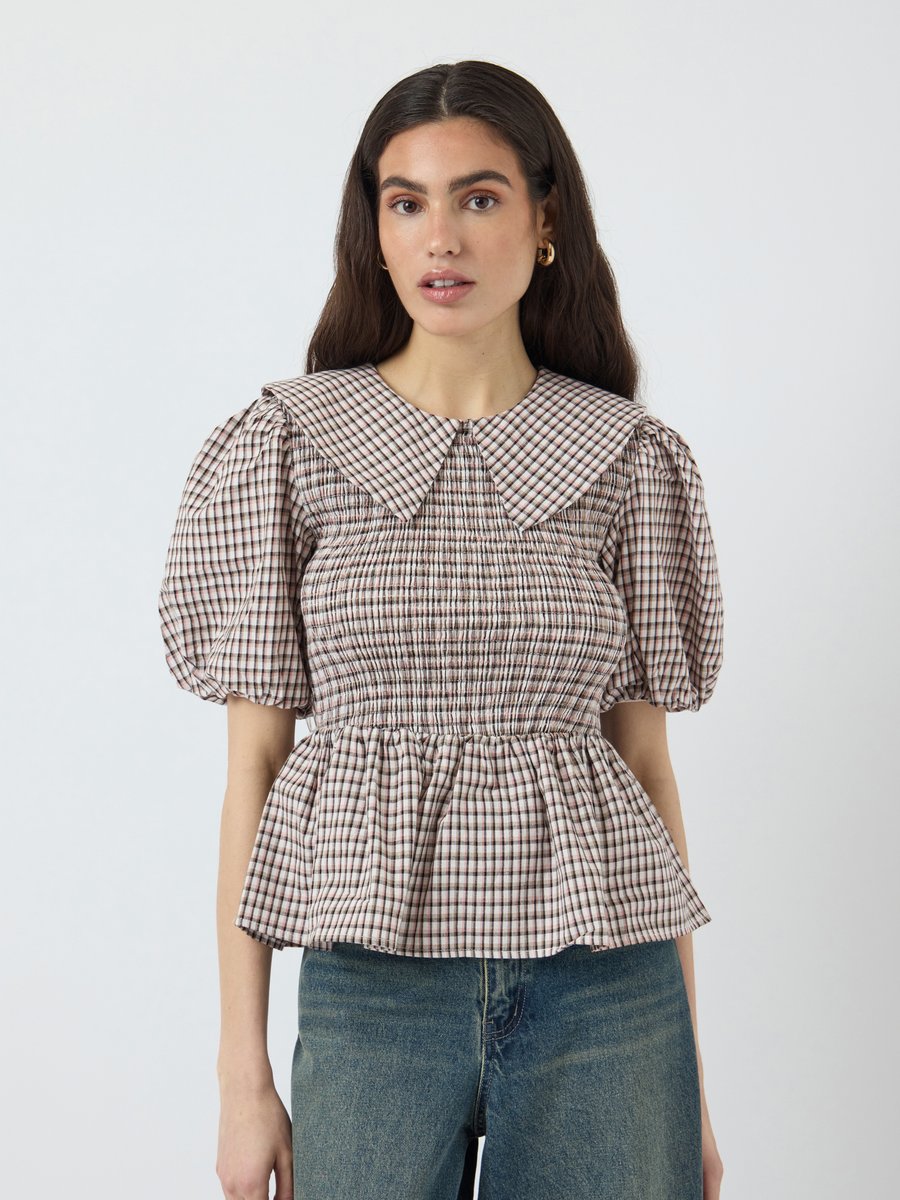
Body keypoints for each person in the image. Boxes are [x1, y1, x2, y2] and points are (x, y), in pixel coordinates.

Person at [158, 59, 726, 1200]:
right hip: (372, 988)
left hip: (606, 993)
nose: (441, 238)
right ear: (374, 230)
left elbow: (647, 767)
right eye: (406, 201)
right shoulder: (290, 444)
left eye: (479, 197)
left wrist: (692, 1088)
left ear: (545, 219)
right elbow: (254, 769)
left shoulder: (628, 458)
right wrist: (241, 1076)